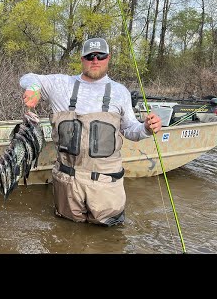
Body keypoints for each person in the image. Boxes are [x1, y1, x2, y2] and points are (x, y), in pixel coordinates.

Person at [20, 37, 162, 226]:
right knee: (66, 234)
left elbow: (130, 130)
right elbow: (27, 77)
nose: (95, 60)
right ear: (82, 59)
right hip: (67, 183)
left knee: (110, 240)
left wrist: (146, 128)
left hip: (106, 185)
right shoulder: (61, 84)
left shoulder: (120, 92)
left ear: (108, 58)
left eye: (100, 56)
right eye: (90, 56)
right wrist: (34, 88)